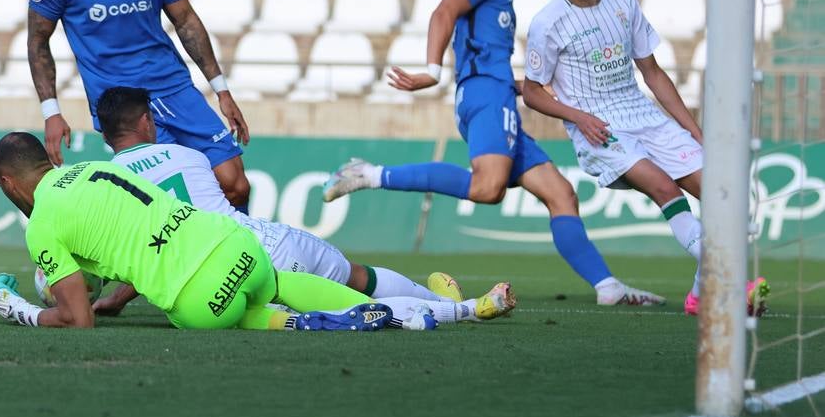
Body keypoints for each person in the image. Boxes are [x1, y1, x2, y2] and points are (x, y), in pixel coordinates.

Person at [322, 0, 663, 307]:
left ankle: (608, 287)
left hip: (497, 94)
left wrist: (517, 85)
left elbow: (480, 46)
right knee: (488, 188)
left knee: (560, 194)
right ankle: (370, 173)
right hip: (486, 98)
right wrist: (432, 71)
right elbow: (443, 11)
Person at [93, 86, 516, 327]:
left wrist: (112, 296)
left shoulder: (111, 186)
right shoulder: (189, 155)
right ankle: (439, 299)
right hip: (273, 237)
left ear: (105, 135)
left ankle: (460, 311)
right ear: (147, 121)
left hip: (237, 265)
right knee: (357, 277)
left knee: (344, 313)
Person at [521, 0, 769, 316]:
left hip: (643, 115)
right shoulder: (549, 22)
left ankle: (700, 294)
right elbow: (532, 91)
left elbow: (652, 73)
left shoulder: (623, 4)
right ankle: (728, 284)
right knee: (665, 190)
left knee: (723, 196)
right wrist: (577, 117)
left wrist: (694, 130)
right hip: (599, 129)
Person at [0, 131, 393, 331]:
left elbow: (79, 320)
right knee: (277, 284)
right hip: (241, 248)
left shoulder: (42, 226)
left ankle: (300, 324)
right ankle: (440, 310)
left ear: (8, 183)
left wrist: (20, 309)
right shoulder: (99, 169)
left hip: (200, 302)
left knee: (236, 312)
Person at [26, 0, 251, 209]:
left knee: (235, 185)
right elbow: (38, 40)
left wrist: (221, 89)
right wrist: (51, 111)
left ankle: (244, 255)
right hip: (120, 102)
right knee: (162, 201)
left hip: (172, 85)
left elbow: (185, 20)